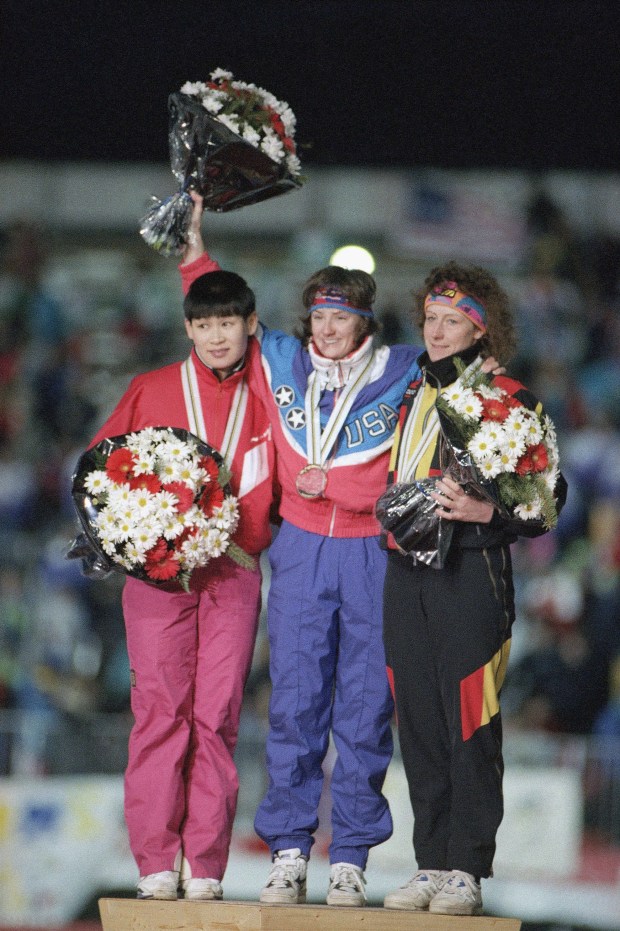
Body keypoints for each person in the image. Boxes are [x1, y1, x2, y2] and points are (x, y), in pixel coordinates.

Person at [180, 199, 503, 907]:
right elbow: (221, 313)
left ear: (365, 322)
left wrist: (490, 357)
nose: (329, 329)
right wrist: (192, 253)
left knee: (364, 707)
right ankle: (290, 849)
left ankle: (350, 854)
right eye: (320, 316)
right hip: (297, 548)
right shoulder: (283, 359)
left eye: (343, 317)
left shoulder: (401, 368)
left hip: (370, 552)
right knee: (295, 702)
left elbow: (466, 362)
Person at [380, 263, 567, 916]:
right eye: (429, 319)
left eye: (451, 321)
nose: (435, 331)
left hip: (472, 576)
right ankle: (430, 861)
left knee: (470, 724)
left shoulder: (511, 398)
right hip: (406, 576)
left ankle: (467, 867)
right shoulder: (411, 394)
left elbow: (547, 501)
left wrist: (490, 513)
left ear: (481, 330)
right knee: (422, 727)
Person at [87, 266, 277, 901]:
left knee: (217, 717)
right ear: (187, 326)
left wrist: (198, 253)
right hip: (159, 578)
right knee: (160, 712)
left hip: (235, 573)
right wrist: (129, 542)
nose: (216, 335)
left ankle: (206, 866)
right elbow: (99, 477)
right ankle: (154, 862)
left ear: (250, 325)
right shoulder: (151, 387)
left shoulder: (270, 390)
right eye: (203, 323)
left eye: (228, 322)